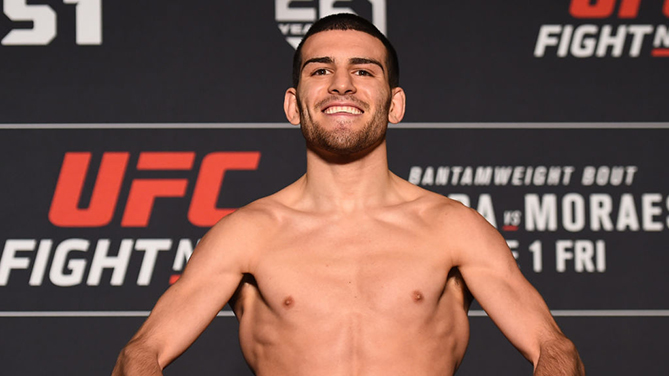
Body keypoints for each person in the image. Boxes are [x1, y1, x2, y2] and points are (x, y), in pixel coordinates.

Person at [112, 13, 584, 376]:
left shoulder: (452, 228)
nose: (342, 83)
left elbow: (554, 349)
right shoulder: (245, 236)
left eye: (363, 70)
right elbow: (141, 353)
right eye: (320, 71)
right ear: (293, 106)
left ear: (394, 104)